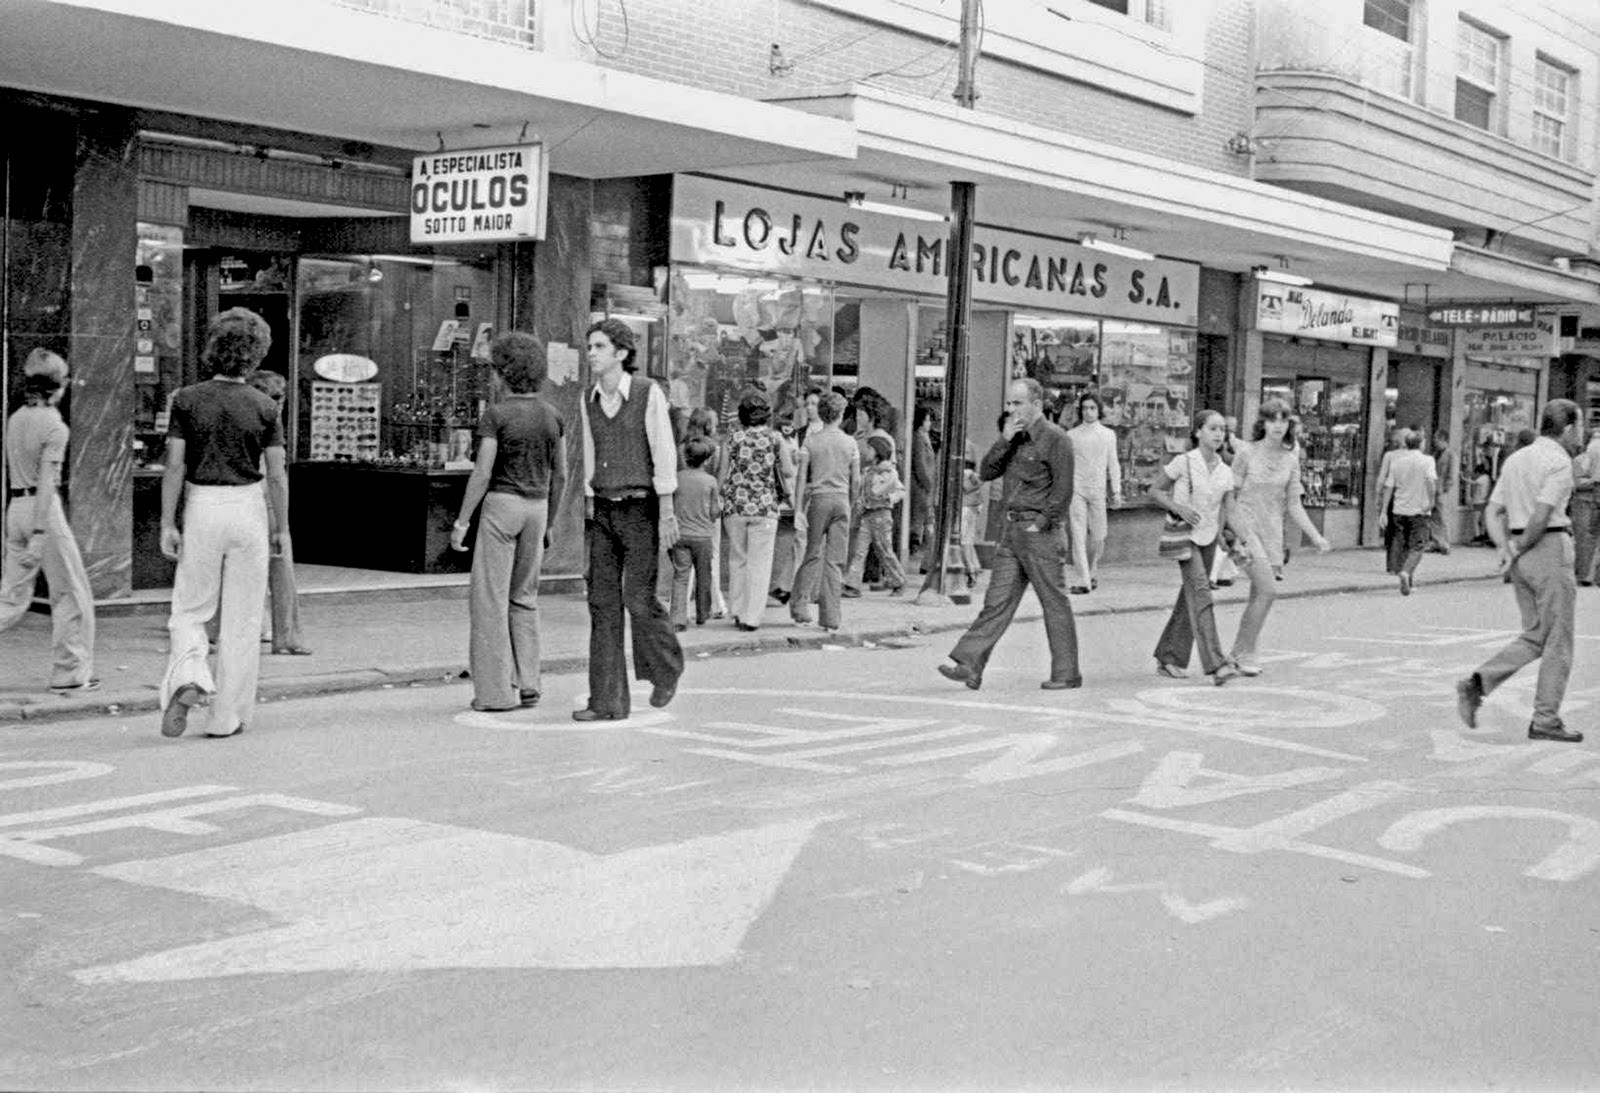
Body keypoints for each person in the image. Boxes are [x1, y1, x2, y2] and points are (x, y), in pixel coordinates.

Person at [158, 308, 288, 738]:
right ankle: (226, 718)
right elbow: (276, 474)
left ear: (213, 348)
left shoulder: (186, 399)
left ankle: (191, 674)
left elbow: (174, 466)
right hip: (248, 507)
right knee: (244, 618)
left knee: (190, 609)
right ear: (256, 355)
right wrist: (281, 527)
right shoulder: (266, 406)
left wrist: (166, 522)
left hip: (203, 505)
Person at [1456, 399, 1585, 743]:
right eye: (1581, 427)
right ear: (1569, 427)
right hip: (1547, 547)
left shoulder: (1517, 458)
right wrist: (1519, 546)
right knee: (1558, 639)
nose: (1581, 435)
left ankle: (1479, 682)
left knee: (1535, 634)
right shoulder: (1559, 462)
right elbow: (1542, 516)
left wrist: (1505, 548)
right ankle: (1546, 718)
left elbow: (1493, 510)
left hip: (1521, 553)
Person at [574, 317, 683, 722]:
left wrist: (667, 510)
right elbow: (588, 450)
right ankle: (606, 702)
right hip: (603, 507)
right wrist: (588, 500)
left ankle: (666, 668)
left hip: (641, 508)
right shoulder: (588, 399)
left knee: (638, 599)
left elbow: (663, 449)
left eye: (599, 347)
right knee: (602, 604)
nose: (592, 354)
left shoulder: (646, 392)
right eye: (590, 347)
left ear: (621, 353)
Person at [450, 331, 566, 712]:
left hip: (503, 505)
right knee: (524, 598)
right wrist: (551, 521)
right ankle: (530, 682)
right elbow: (561, 473)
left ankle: (495, 693)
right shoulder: (552, 415)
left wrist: (462, 521)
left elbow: (482, 473)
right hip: (538, 506)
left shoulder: (496, 415)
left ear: (503, 373)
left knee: (490, 600)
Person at [938, 378, 1079, 691]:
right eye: (1009, 404)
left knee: (1053, 602)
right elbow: (987, 471)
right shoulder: (1014, 438)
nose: (1011, 409)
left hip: (1039, 532)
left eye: (1017, 403)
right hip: (1012, 531)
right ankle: (970, 664)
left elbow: (1063, 490)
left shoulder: (1057, 439)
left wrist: (1040, 524)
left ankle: (1067, 672)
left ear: (1036, 404)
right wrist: (1003, 439)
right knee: (996, 601)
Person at [0, 350, 96, 692]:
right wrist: (41, 531)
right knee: (71, 593)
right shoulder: (55, 426)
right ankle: (69, 673)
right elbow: (46, 481)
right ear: (59, 386)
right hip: (43, 513)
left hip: (15, 508)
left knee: (11, 598)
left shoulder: (16, 418)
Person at [1228, 400, 1330, 675]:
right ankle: (1241, 653)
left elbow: (1294, 504)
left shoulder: (1291, 458)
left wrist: (1316, 536)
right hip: (1245, 528)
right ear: (1262, 423)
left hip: (1272, 532)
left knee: (1257, 595)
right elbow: (1230, 496)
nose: (1277, 425)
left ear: (1289, 425)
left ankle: (1244, 651)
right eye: (1272, 420)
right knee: (1268, 590)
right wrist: (1230, 532)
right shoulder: (1247, 452)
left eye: (1282, 420)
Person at [1149, 409, 1243, 686]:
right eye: (1212, 429)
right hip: (1185, 537)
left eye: (1222, 430)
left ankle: (1169, 657)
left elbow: (1228, 511)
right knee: (1201, 594)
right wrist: (1178, 508)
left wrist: (1238, 538)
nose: (1218, 434)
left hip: (1210, 538)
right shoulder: (1184, 462)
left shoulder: (1226, 471)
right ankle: (1216, 664)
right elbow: (1154, 491)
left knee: (1189, 598)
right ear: (1198, 432)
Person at [245, 369, 309, 656]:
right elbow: (275, 473)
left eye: (281, 396)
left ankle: (270, 629)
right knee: (280, 562)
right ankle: (286, 634)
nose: (279, 402)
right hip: (260, 494)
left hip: (243, 494)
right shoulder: (269, 420)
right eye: (274, 396)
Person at [790, 390, 860, 632]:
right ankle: (831, 616)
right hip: (842, 501)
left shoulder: (810, 441)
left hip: (818, 500)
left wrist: (799, 508)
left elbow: (801, 478)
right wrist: (853, 502)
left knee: (811, 553)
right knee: (834, 561)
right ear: (841, 414)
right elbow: (857, 480)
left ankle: (799, 606)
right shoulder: (850, 443)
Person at [720, 390, 788, 631]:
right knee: (759, 564)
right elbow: (788, 471)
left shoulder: (733, 438)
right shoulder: (775, 438)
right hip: (765, 506)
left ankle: (737, 610)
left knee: (737, 558)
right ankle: (752, 617)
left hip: (735, 506)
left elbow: (723, 474)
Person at [1065, 390, 1123, 594]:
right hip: (1077, 488)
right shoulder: (1072, 435)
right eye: (1085, 408)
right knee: (1078, 532)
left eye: (1092, 408)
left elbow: (1113, 464)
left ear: (1099, 410)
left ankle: (1093, 570)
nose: (1088, 412)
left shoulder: (1108, 434)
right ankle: (1083, 579)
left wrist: (1116, 490)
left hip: (1098, 489)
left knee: (1099, 535)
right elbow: (1067, 464)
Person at [1377, 428, 1437, 596]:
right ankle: (1405, 573)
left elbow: (1389, 486)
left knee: (1403, 544)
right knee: (1417, 546)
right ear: (1422, 444)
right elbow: (1431, 481)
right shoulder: (1428, 461)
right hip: (1419, 510)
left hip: (1399, 509)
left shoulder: (1397, 462)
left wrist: (1383, 510)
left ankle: (1408, 580)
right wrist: (1431, 501)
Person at [846, 436, 907, 598]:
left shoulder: (889, 472)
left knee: (884, 550)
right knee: (859, 550)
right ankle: (852, 584)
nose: (867, 452)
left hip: (881, 514)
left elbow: (901, 491)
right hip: (867, 514)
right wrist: (860, 502)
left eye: (870, 449)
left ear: (878, 452)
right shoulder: (867, 471)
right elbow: (863, 492)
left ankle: (898, 580)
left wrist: (889, 499)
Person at [670, 436, 720, 630]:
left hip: (680, 535)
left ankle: (677, 618)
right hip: (703, 536)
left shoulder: (677, 478)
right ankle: (702, 614)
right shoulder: (710, 481)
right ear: (707, 460)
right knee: (704, 574)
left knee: (681, 575)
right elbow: (714, 511)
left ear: (685, 457)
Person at [683, 407, 727, 619]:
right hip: (709, 505)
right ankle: (714, 603)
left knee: (683, 561)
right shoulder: (716, 448)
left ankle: (682, 604)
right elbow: (721, 476)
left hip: (685, 505)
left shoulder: (683, 446)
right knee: (711, 555)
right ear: (709, 425)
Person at [1570, 427, 1600, 586]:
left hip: (1593, 500)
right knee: (1584, 538)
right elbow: (1577, 483)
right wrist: (1595, 482)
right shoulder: (1580, 460)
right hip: (1584, 501)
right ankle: (1583, 574)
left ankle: (1594, 575)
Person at [909, 403, 937, 569]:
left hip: (924, 487)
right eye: (926, 420)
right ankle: (928, 561)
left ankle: (928, 560)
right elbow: (920, 463)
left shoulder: (923, 437)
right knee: (927, 523)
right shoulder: (919, 438)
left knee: (927, 523)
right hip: (922, 487)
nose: (929, 423)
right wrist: (928, 484)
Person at [958, 446, 984, 589]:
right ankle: (973, 568)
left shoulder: (960, 475)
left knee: (961, 542)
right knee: (968, 541)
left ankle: (969, 571)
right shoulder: (976, 477)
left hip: (962, 510)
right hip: (973, 510)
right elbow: (980, 501)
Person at [1426, 430, 1454, 555]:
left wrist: (1445, 488)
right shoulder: (1435, 454)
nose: (1434, 442)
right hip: (1432, 489)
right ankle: (1436, 541)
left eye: (1437, 439)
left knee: (1442, 517)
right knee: (1433, 517)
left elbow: (1451, 474)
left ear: (1444, 440)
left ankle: (1445, 543)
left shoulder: (1450, 454)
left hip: (1441, 490)